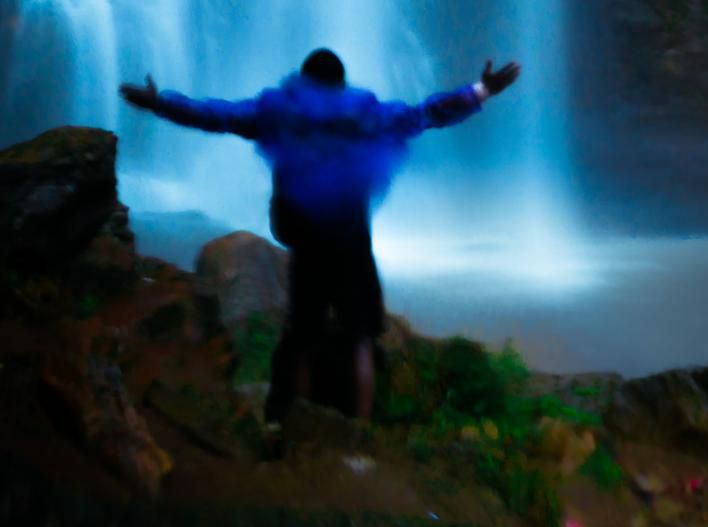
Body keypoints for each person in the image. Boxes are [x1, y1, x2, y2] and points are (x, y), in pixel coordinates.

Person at [119, 48, 520, 423]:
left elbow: (215, 115)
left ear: (303, 81)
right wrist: (481, 90)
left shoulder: (279, 114)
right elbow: (426, 114)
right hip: (350, 236)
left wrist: (160, 103)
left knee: (301, 335)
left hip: (306, 237)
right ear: (342, 84)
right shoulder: (365, 115)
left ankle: (293, 425)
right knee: (360, 336)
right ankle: (358, 434)